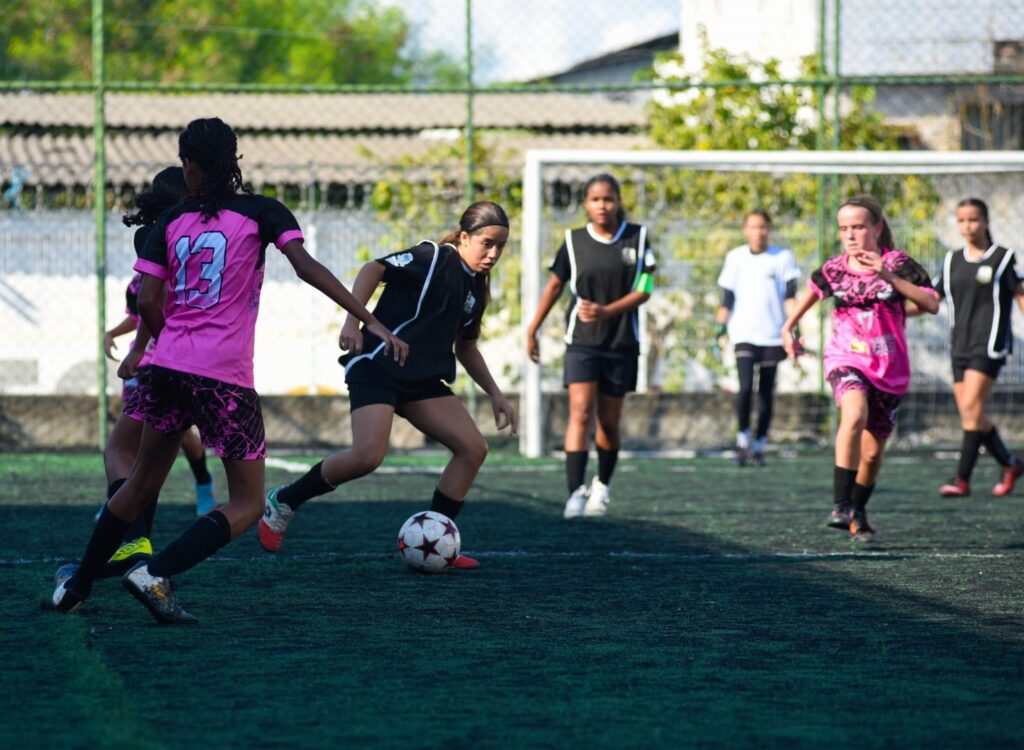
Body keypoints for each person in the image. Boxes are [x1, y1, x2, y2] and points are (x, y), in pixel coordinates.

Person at [52, 117, 407, 623]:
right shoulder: (263, 211)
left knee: (139, 484)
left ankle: (78, 584)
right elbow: (306, 268)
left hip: (166, 367)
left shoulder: (169, 220)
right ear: (234, 161)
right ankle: (156, 572)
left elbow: (148, 301)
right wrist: (369, 320)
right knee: (246, 503)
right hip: (224, 377)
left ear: (188, 165)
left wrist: (174, 341)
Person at [259, 201, 516, 568]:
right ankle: (284, 500)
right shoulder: (432, 257)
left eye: (501, 246)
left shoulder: (475, 286)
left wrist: (496, 394)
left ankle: (437, 540)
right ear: (463, 238)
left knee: (473, 448)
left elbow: (466, 347)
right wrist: (353, 322)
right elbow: (373, 268)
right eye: (486, 243)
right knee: (367, 456)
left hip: (420, 378)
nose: (493, 254)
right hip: (377, 364)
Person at [781, 195, 939, 541]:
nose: (850, 235)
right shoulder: (834, 268)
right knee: (853, 414)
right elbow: (808, 297)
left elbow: (931, 303)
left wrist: (887, 275)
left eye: (858, 227)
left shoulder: (898, 263)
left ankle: (858, 509)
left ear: (877, 229)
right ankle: (840, 505)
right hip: (846, 357)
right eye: (843, 229)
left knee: (872, 454)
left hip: (889, 368)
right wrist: (788, 328)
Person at [525, 173, 656, 518]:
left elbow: (645, 288)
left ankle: (602, 486)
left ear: (618, 201)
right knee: (580, 412)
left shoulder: (638, 237)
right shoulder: (573, 241)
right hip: (581, 341)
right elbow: (555, 286)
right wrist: (533, 328)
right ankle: (575, 493)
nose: (602, 205)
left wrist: (606, 311)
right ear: (585, 203)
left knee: (608, 422)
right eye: (595, 199)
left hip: (621, 343)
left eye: (608, 199)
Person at [933, 198, 1024, 497]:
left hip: (989, 344)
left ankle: (962, 479)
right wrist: (892, 308)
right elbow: (931, 299)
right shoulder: (951, 260)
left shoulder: (1002, 257)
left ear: (986, 221)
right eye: (961, 220)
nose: (967, 226)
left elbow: (1020, 295)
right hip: (959, 344)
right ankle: (1011, 463)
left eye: (973, 219)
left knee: (972, 410)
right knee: (970, 415)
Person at [715, 209, 800, 466]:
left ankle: (759, 444)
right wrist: (719, 329)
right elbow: (727, 299)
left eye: (762, 226)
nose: (758, 232)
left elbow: (790, 298)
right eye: (753, 226)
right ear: (745, 230)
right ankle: (742, 441)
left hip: (773, 335)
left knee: (765, 392)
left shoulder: (783, 257)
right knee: (744, 388)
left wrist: (794, 328)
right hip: (743, 333)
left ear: (769, 229)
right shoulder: (735, 257)